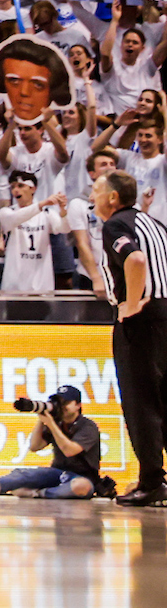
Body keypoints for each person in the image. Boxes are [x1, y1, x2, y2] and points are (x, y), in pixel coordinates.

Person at [94, 170, 167, 505]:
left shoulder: (116, 225)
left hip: (142, 321)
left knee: (141, 404)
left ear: (113, 197)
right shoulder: (156, 225)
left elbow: (135, 259)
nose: (93, 196)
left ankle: (151, 482)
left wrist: (132, 305)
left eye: (97, 190)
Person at [0, 385, 104, 500]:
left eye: (66, 403)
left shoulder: (87, 426)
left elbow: (70, 450)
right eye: (60, 403)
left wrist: (52, 425)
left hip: (83, 477)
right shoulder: (57, 423)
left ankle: (37, 493)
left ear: (78, 405)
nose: (62, 407)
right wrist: (41, 421)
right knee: (26, 474)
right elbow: (35, 446)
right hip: (57, 473)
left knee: (80, 486)